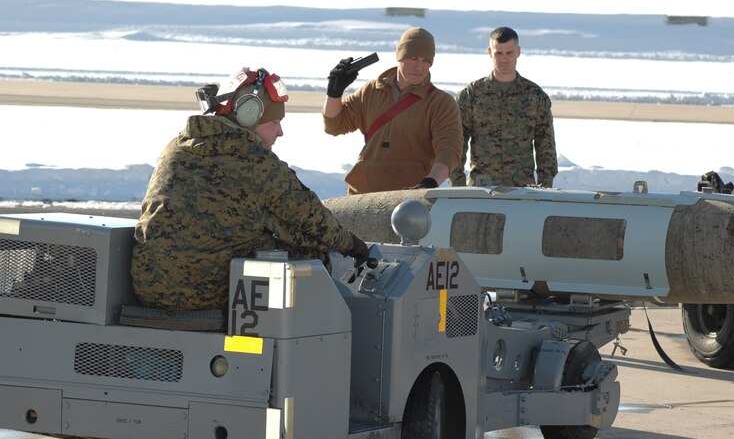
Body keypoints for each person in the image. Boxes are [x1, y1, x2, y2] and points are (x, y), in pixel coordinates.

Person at [131, 66, 370, 312]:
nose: (280, 132)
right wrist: (351, 244)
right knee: (313, 258)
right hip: (206, 294)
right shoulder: (255, 162)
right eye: (275, 122)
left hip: (149, 288)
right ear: (248, 115)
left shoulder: (178, 147)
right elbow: (313, 220)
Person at [323, 27, 463, 194]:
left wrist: (430, 182)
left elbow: (449, 151)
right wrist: (334, 92)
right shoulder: (370, 91)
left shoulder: (441, 103)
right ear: (400, 56)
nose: (419, 67)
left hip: (411, 200)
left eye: (426, 60)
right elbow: (334, 126)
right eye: (413, 58)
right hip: (363, 196)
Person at [450, 26, 557, 188]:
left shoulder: (535, 96)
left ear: (518, 52)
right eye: (498, 53)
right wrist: (457, 186)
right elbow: (457, 142)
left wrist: (545, 187)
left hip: (522, 190)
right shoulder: (472, 95)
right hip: (482, 190)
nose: (504, 59)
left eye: (509, 53)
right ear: (489, 52)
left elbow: (545, 145)